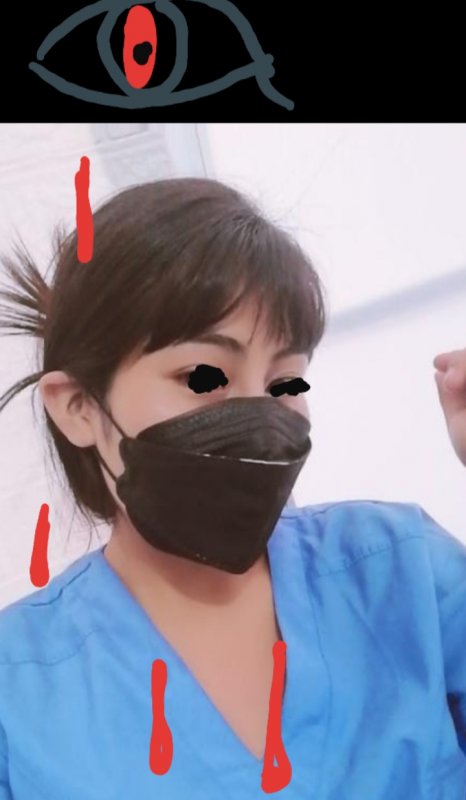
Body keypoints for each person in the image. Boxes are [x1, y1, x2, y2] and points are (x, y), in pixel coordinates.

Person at [0, 177, 465, 799]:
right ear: (79, 406)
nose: (260, 413)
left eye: (285, 383)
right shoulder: (17, 693)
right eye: (204, 376)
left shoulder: (403, 571)